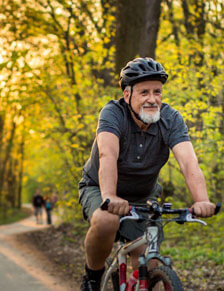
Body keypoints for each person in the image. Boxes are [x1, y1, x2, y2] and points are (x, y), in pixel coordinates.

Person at [78, 57, 216, 291]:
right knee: (105, 219)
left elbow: (189, 163)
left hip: (143, 195)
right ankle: (92, 277)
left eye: (157, 92)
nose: (152, 99)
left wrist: (201, 199)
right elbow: (107, 156)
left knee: (148, 263)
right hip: (100, 187)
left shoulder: (171, 119)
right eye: (144, 92)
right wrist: (110, 197)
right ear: (127, 94)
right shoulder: (112, 114)